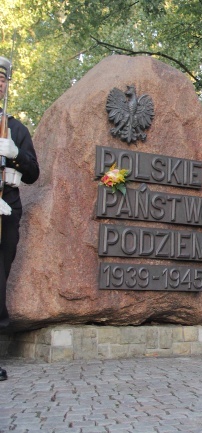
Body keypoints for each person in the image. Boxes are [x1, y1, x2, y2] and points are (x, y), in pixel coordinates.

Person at [0, 58, 40, 381]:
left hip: (8, 210)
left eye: (2, 79)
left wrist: (15, 153)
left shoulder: (16, 129)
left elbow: (33, 173)